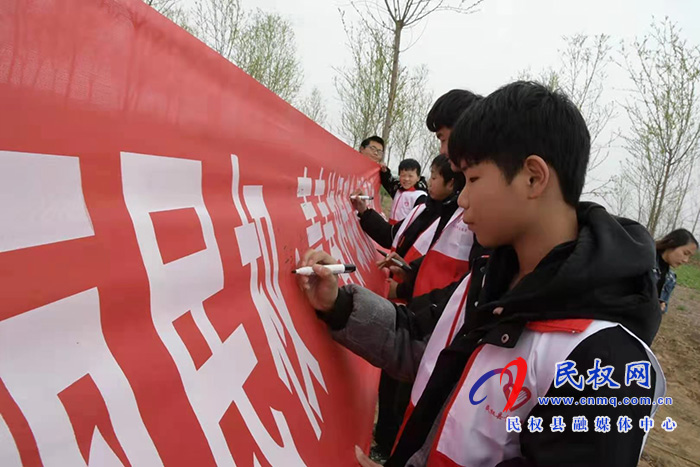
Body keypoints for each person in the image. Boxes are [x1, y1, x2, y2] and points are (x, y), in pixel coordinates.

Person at [298, 81, 665, 467]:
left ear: (533, 178)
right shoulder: (486, 281)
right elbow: (423, 344)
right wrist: (337, 302)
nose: (463, 200)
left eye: (472, 180)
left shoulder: (608, 363)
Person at [653, 228, 698, 313]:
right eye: (685, 253)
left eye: (689, 256)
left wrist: (660, 305)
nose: (686, 260)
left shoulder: (671, 278)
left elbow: (661, 310)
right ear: (672, 244)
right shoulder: (645, 263)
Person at [380, 158, 428, 225]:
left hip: (405, 232)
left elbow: (420, 220)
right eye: (403, 175)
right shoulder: (398, 189)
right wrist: (384, 172)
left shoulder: (420, 196)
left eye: (410, 176)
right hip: (391, 228)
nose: (406, 179)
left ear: (418, 178)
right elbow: (388, 182)